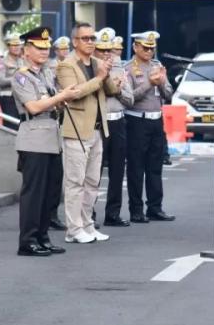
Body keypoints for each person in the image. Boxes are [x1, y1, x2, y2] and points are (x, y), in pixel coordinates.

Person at [11, 26, 81, 256]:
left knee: (50, 191)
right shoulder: (21, 76)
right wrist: (61, 96)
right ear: (27, 50)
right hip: (34, 137)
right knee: (34, 193)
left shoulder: (46, 74)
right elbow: (33, 106)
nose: (44, 52)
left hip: (52, 136)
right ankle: (28, 241)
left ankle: (43, 236)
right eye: (38, 48)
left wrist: (60, 100)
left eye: (45, 48)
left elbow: (50, 102)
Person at [56, 22, 121, 244]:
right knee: (75, 183)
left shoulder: (97, 63)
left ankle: (87, 225)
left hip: (97, 129)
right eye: (86, 38)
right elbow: (73, 93)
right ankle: (73, 229)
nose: (91, 42)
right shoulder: (66, 65)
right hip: (76, 130)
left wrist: (107, 74)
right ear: (75, 41)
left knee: (92, 182)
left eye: (92, 38)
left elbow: (112, 91)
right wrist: (99, 78)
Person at [124, 31, 175, 223]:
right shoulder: (128, 68)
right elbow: (129, 97)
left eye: (152, 48)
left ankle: (155, 207)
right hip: (137, 120)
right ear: (135, 47)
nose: (149, 51)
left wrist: (161, 82)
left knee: (155, 167)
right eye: (145, 47)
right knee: (136, 168)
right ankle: (136, 210)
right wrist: (148, 83)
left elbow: (169, 94)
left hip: (156, 120)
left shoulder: (157, 66)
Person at [95, 28, 132, 227]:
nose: (106, 53)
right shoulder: (90, 68)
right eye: (102, 49)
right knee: (94, 171)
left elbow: (130, 98)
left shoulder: (120, 69)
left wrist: (116, 91)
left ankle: (113, 213)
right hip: (99, 122)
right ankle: (88, 215)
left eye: (109, 50)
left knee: (118, 170)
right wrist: (108, 85)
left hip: (118, 121)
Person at [0, 32, 24, 129]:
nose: (16, 47)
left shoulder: (23, 62)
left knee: (22, 125)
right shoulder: (2, 62)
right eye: (13, 45)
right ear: (8, 46)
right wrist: (16, 78)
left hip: (21, 97)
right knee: (11, 125)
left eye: (18, 45)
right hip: (8, 97)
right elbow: (0, 80)